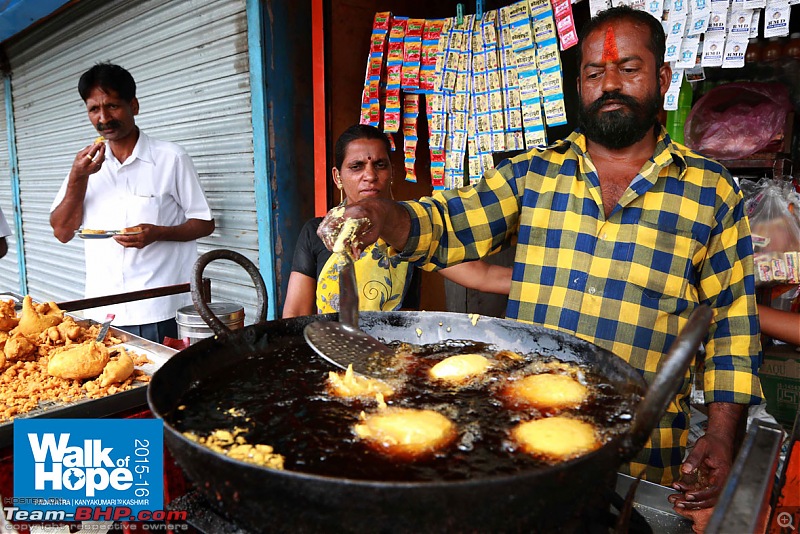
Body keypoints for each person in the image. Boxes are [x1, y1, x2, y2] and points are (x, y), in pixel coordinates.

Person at [317, 5, 762, 516]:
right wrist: (383, 215)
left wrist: (726, 433)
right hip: (527, 445)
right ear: (579, 85)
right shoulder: (533, 174)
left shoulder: (710, 191)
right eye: (594, 73)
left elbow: (732, 325)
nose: (610, 84)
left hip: (641, 455)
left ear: (662, 77)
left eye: (629, 69)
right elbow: (450, 222)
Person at [50, 63, 214, 343]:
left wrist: (159, 233)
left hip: (160, 308)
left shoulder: (170, 158)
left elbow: (204, 223)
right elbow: (62, 232)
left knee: (164, 384)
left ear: (133, 106)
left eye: (112, 106)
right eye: (93, 109)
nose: (104, 118)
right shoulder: (85, 165)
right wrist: (78, 177)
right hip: (103, 312)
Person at [282, 124, 509, 318]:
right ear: (337, 177)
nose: (370, 175)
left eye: (380, 165)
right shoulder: (316, 232)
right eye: (356, 166)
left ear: (392, 172)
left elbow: (482, 275)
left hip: (396, 357)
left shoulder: (411, 228)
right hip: (337, 353)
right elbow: (294, 315)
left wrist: (540, 281)